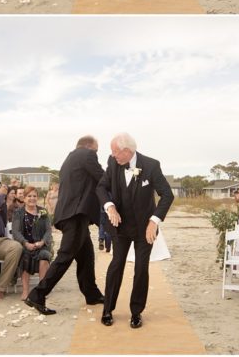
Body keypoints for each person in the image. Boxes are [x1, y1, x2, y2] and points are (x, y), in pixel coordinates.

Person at [97, 131, 174, 329]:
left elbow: (167, 195)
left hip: (144, 228)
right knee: (116, 265)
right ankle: (107, 309)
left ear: (128, 151)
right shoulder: (113, 163)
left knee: (141, 268)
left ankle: (136, 312)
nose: (113, 155)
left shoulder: (151, 165)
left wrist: (154, 221)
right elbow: (101, 187)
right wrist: (110, 206)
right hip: (119, 226)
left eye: (116, 152)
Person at [25, 135, 105, 315]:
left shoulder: (69, 159)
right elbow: (102, 178)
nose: (96, 154)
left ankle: (91, 294)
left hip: (73, 214)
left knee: (86, 257)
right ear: (88, 146)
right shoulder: (87, 154)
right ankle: (38, 294)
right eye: (96, 150)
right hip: (75, 215)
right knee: (65, 257)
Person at [12, 186, 53, 301]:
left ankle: (41, 290)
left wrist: (43, 241)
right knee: (25, 256)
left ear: (37, 198)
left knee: (44, 256)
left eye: (34, 196)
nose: (32, 198)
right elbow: (16, 231)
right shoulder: (18, 213)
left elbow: (48, 230)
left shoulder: (42, 211)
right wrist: (25, 243)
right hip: (25, 245)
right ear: (24, 198)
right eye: (29, 196)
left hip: (41, 244)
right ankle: (25, 291)